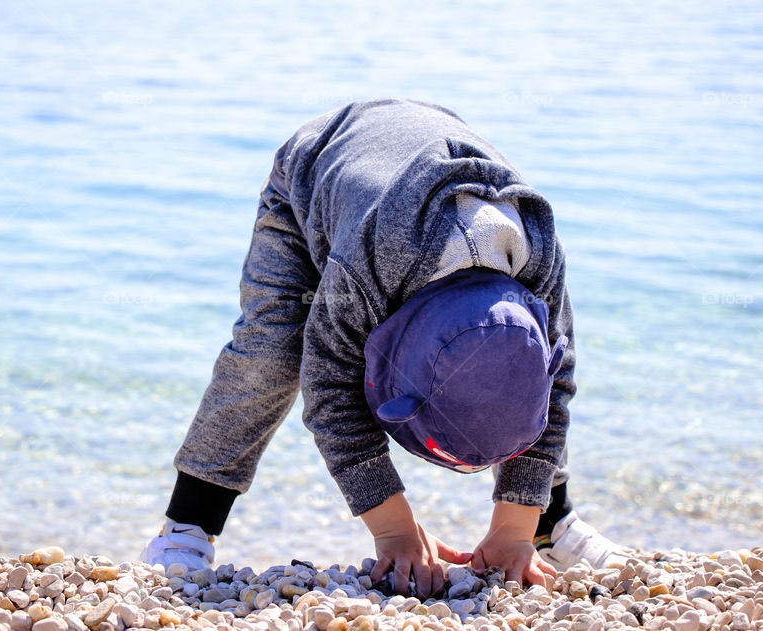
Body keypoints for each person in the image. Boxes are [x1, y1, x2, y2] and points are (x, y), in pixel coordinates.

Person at [141, 98, 626, 598]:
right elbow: (330, 392)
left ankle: (549, 524)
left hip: (434, 168)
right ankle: (188, 524)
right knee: (273, 351)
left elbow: (554, 385)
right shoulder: (371, 268)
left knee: (519, 377)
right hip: (313, 175)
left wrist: (513, 529)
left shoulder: (535, 253)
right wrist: (394, 531)